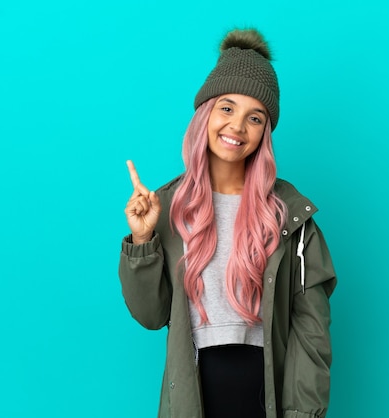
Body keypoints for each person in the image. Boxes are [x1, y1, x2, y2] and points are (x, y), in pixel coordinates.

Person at [119, 28, 336, 418]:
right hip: (193, 396)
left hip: (265, 396)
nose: (237, 126)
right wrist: (143, 238)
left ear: (264, 133)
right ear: (205, 113)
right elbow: (151, 316)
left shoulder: (290, 214)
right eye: (227, 108)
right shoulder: (167, 206)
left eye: (255, 117)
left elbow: (312, 333)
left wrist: (303, 412)